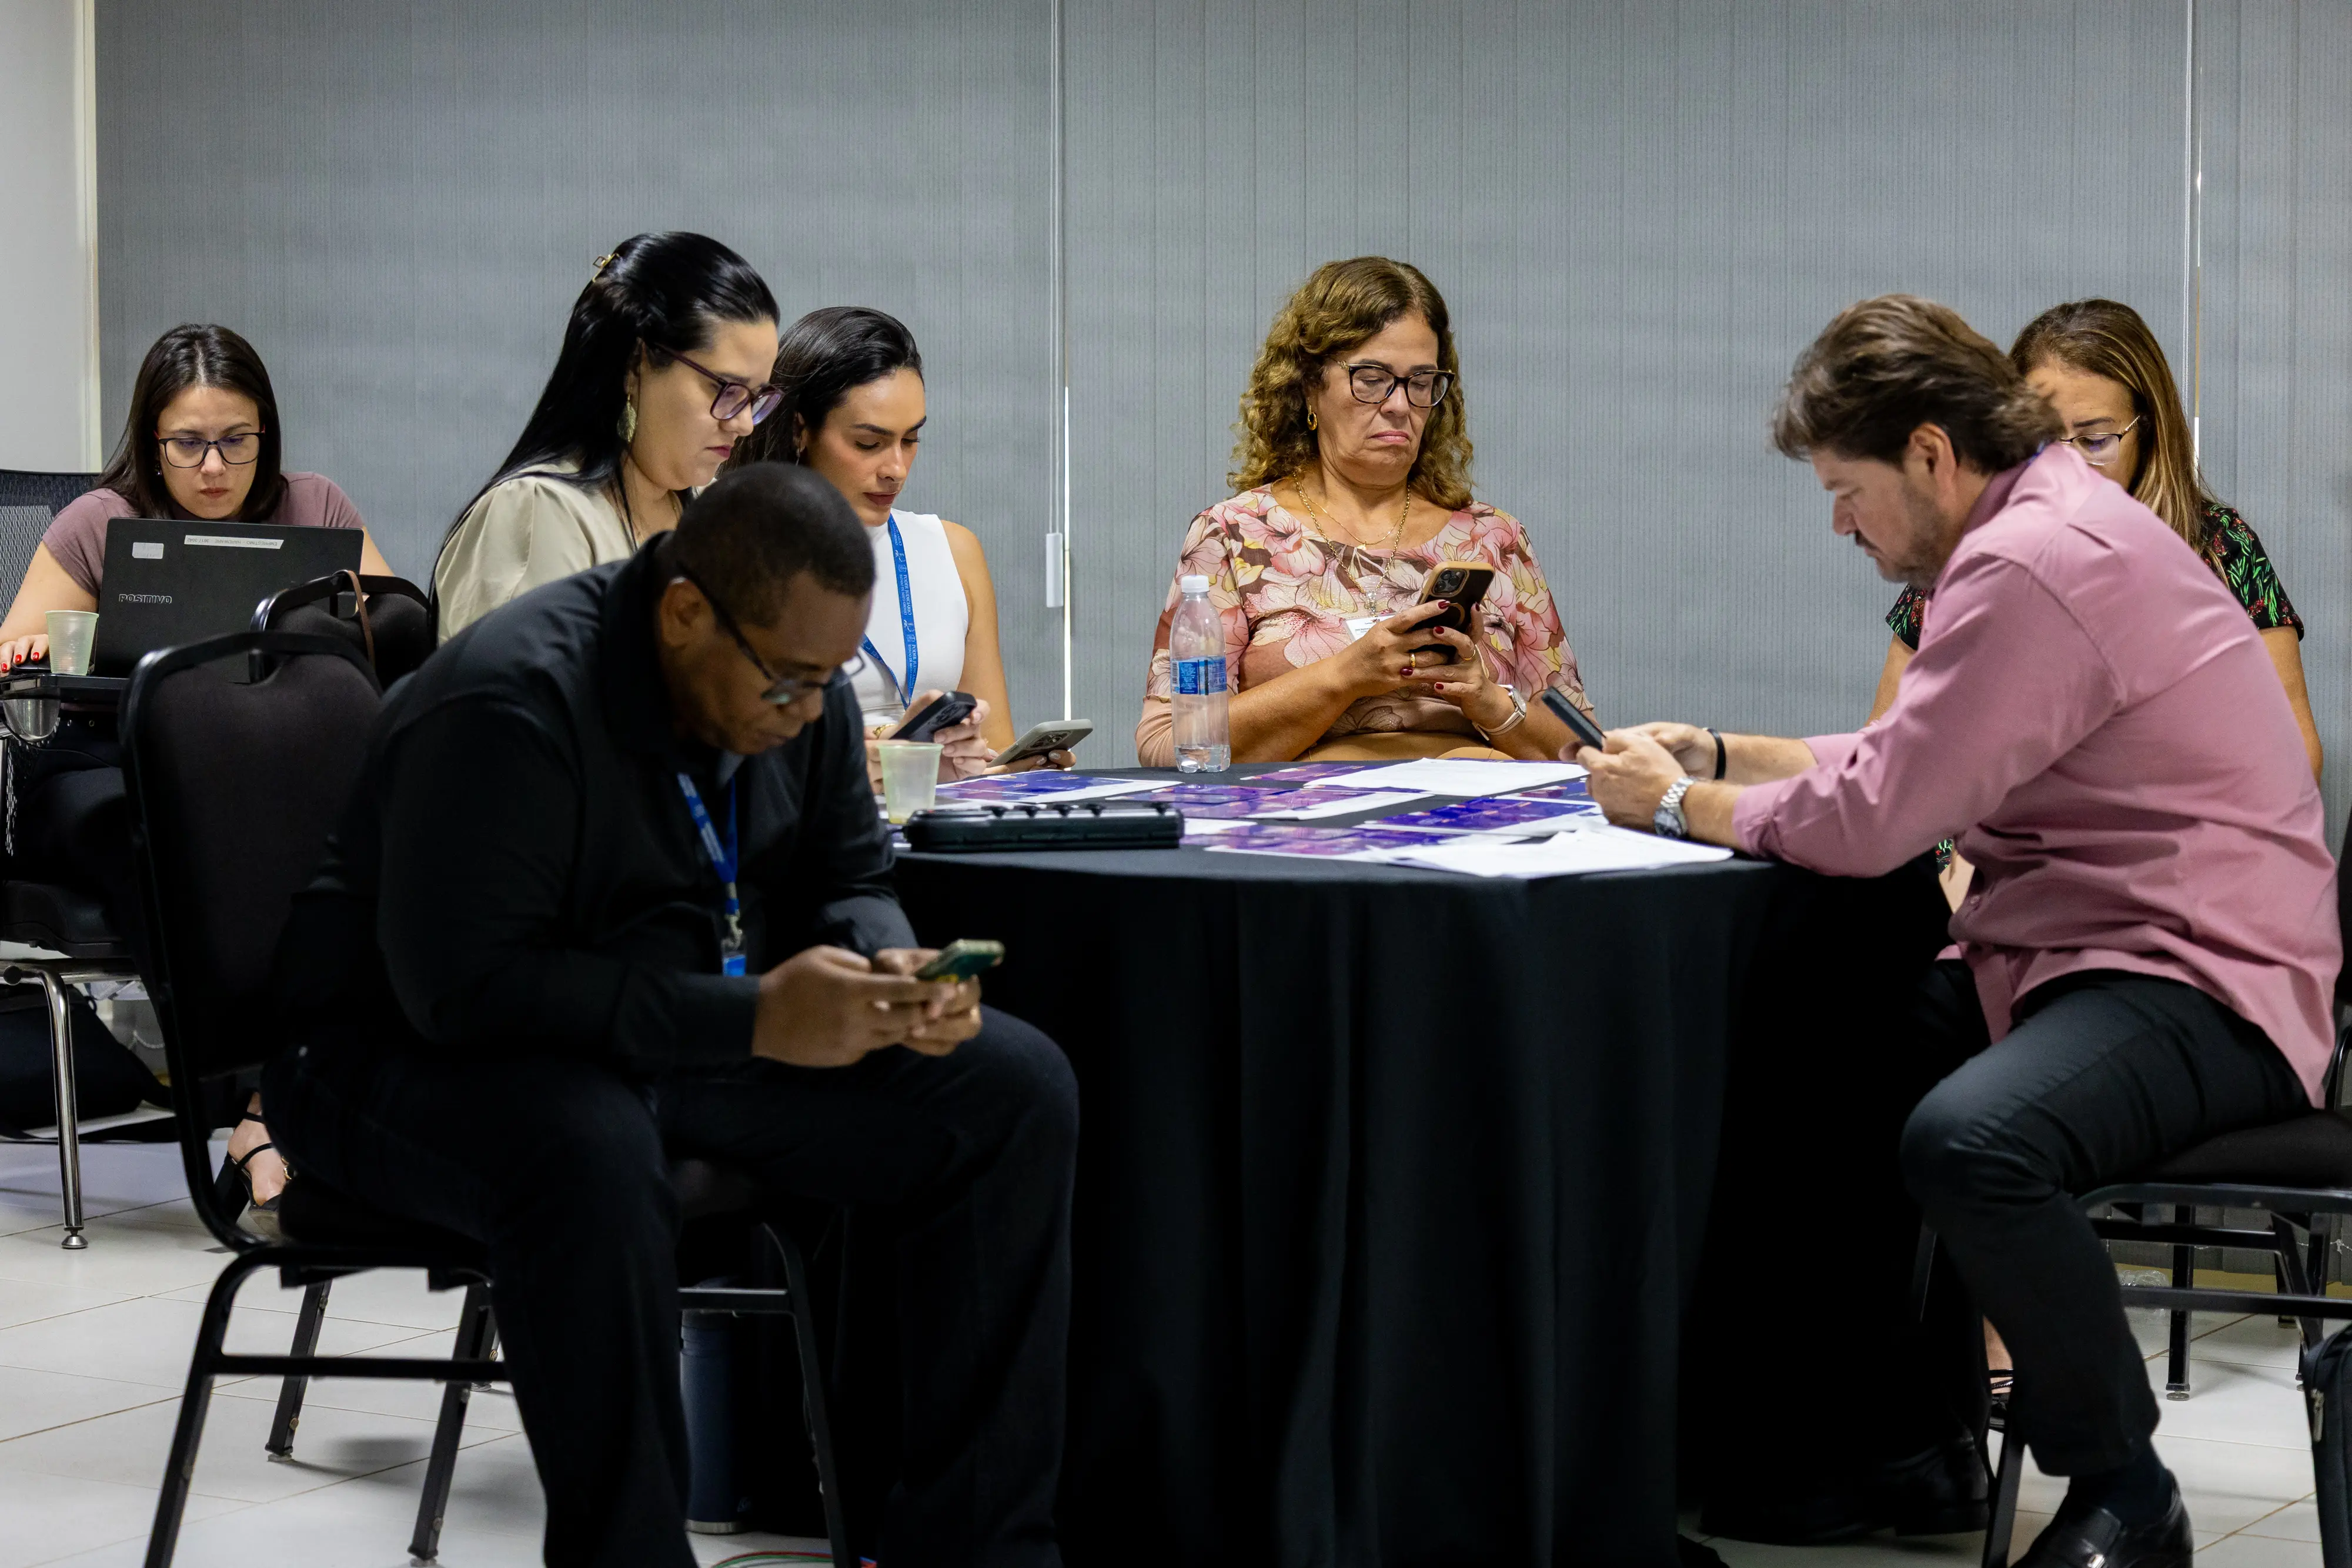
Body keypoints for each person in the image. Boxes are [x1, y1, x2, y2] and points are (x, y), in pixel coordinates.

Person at [1581, 295, 2339, 1567]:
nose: (1836, 521)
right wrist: (1717, 749)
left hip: (2203, 978)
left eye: (1845, 489)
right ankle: (1888, 1447)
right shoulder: (2029, 531)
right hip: (2081, 950)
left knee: (1970, 1138)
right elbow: (1915, 756)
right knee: (1828, 1060)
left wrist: (1672, 799)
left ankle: (2125, 1487)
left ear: (1929, 453)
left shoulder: (2030, 560)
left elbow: (1878, 816)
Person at [265, 464, 1078, 1568]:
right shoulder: (511, 702)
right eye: (787, 683)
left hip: (655, 1029)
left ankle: (975, 1547)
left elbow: (848, 867)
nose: (806, 712)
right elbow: (466, 991)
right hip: (387, 1055)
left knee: (1009, 1088)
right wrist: (753, 1022)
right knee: (585, 1146)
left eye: (827, 681)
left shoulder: (807, 682)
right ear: (687, 610)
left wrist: (890, 957)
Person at [0, 322, 392, 1219]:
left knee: (351, 846)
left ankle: (272, 1105)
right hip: (103, 772)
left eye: (235, 441)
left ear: (267, 435)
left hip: (263, 777)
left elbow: (392, 628)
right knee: (170, 840)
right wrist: (28, 643)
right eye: (188, 443)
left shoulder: (317, 508)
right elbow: (16, 649)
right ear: (151, 440)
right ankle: (257, 1097)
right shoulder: (102, 519)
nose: (213, 467)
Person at [1872, 296, 2323, 913]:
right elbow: (1889, 748)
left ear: (2148, 432)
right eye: (2042, 443)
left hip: (2139, 894)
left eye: (2095, 441)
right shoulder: (1971, 555)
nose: (2067, 469)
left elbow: (2290, 759)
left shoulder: (2216, 551)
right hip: (1965, 886)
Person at [1134, 256, 1594, 765]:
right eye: (1372, 378)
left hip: (1478, 822)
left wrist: (1487, 700)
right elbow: (1166, 749)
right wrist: (1347, 675)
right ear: (1310, 385)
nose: (1400, 404)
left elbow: (1585, 751)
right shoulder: (1233, 535)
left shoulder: (1494, 538)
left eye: (1421, 381)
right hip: (1312, 827)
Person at [728, 306, 1061, 783]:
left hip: (932, 834)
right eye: (870, 443)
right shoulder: (739, 554)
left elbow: (990, 755)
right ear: (800, 429)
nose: (896, 469)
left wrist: (1019, 768)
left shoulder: (953, 550)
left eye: (912, 439)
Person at [432, 231, 782, 638]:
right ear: (635, 365)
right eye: (725, 389)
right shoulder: (540, 510)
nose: (743, 423)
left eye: (756, 397)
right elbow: (520, 695)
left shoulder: (711, 510)